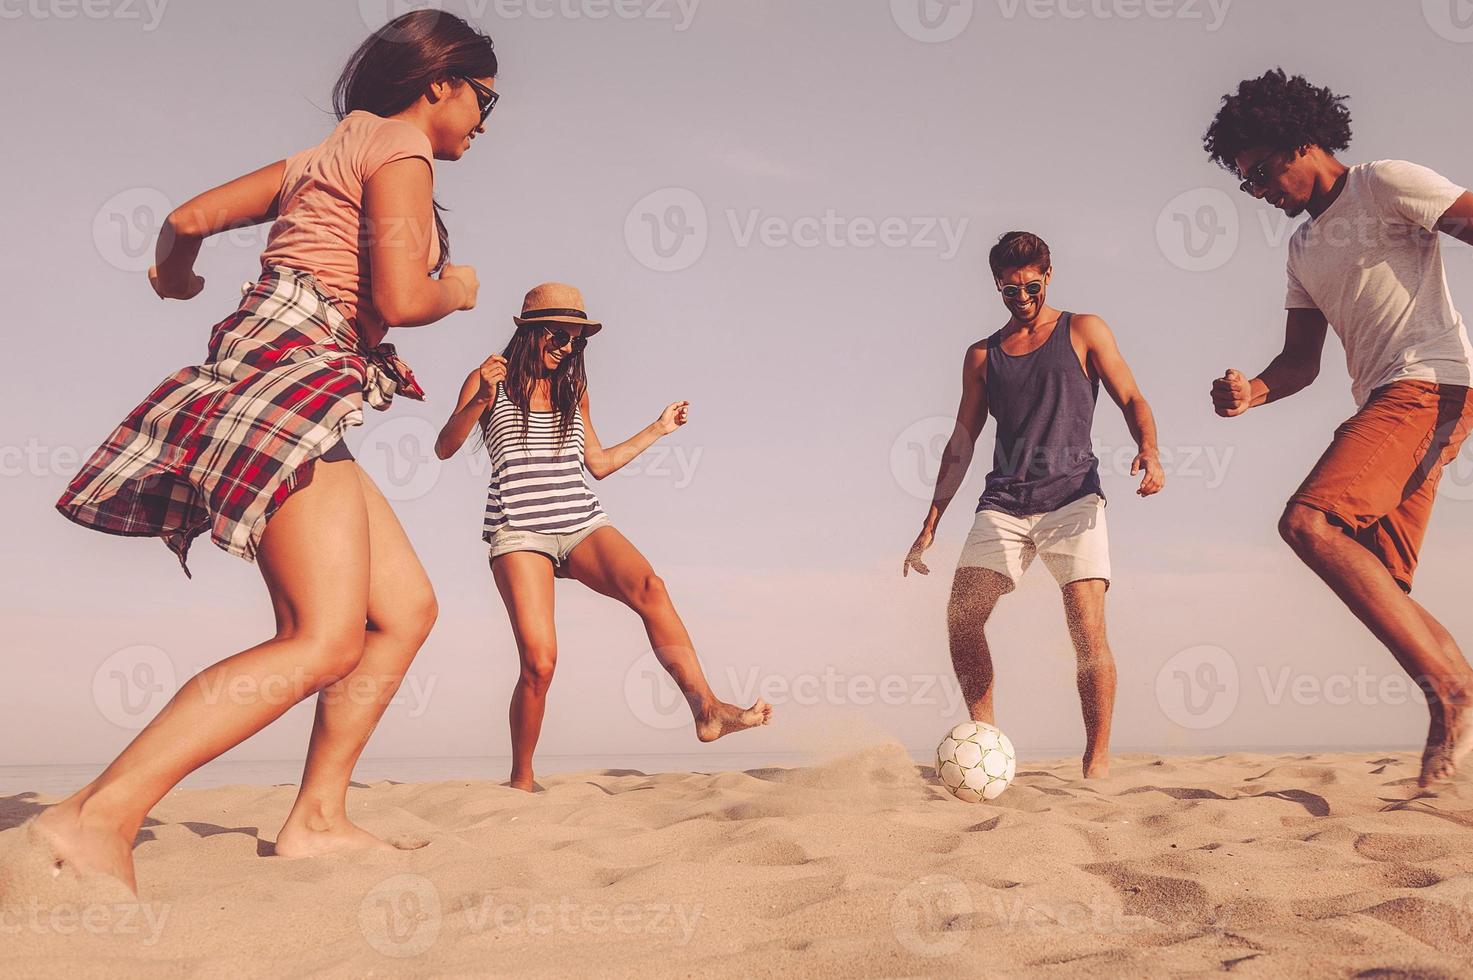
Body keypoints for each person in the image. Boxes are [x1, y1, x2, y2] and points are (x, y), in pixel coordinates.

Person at [38, 10, 496, 893]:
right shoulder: (399, 148)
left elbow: (186, 219)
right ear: (439, 82)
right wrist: (459, 291)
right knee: (320, 639)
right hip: (295, 381)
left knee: (401, 608)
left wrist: (176, 277)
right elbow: (401, 299)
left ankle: (317, 819)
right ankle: (96, 817)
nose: (484, 119)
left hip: (281, 376)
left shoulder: (320, 156)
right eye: (485, 97)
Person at [1204, 69, 1473, 787]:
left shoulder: (1381, 183)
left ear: (1301, 139)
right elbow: (1298, 363)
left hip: (1427, 386)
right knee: (1376, 578)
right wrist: (1249, 393)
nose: (1255, 191)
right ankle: (1452, 703)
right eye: (1243, 182)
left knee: (1308, 524)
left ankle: (1450, 692)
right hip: (1383, 400)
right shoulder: (1299, 250)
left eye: (1258, 171)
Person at [435, 283, 773, 791]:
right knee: (540, 663)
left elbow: (598, 464)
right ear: (530, 331)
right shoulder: (490, 381)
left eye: (576, 339)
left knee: (651, 588)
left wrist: (658, 429)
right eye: (558, 335)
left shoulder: (575, 391)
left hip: (580, 521)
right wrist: (480, 398)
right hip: (520, 529)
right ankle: (521, 779)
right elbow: (445, 446)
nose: (567, 347)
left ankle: (708, 710)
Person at [904, 231, 1164, 779]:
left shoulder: (1083, 329)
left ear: (1047, 276)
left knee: (1086, 630)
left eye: (1030, 286)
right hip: (1003, 502)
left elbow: (1132, 396)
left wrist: (1150, 449)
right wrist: (931, 519)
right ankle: (984, 742)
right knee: (962, 618)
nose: (1021, 297)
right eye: (1008, 289)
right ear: (996, 286)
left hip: (1073, 498)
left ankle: (1095, 762)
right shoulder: (983, 355)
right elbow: (961, 441)